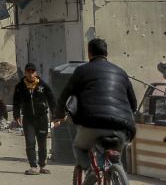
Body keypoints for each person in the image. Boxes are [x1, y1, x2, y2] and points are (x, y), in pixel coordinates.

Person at [56, 38, 138, 175]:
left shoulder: (81, 71)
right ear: (107, 53)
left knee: (79, 147)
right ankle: (117, 172)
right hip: (122, 127)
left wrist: (58, 114)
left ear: (89, 53)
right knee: (116, 158)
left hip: (92, 123)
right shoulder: (121, 72)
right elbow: (133, 104)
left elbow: (64, 97)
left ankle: (91, 174)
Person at [13, 62, 58, 175]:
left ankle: (42, 165)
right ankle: (33, 166)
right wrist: (16, 115)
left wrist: (55, 116)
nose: (30, 74)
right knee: (30, 142)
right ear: (25, 72)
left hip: (42, 118)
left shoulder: (43, 85)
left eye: (32, 72)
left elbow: (52, 101)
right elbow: (16, 102)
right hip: (28, 119)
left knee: (42, 143)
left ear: (36, 73)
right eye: (28, 72)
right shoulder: (20, 87)